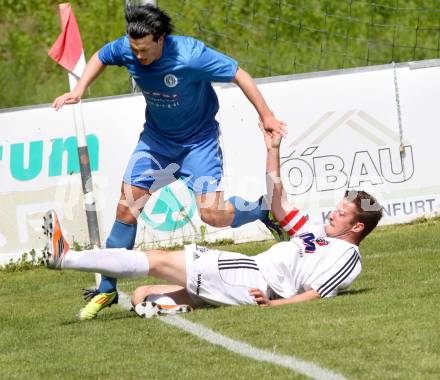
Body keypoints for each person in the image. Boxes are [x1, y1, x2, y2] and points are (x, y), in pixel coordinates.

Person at [52, 4, 287, 320]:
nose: (138, 57)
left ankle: (262, 209)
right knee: (126, 208)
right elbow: (101, 56)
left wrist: (267, 115)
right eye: (134, 50)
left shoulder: (191, 55)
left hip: (198, 143)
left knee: (213, 215)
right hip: (156, 143)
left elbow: (238, 73)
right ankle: (106, 288)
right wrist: (80, 89)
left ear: (161, 39)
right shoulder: (128, 47)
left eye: (145, 50)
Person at [42, 131, 383, 318]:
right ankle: (164, 307)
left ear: (355, 228)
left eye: (341, 213)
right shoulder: (315, 235)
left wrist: (273, 305)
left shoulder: (348, 257)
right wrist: (273, 148)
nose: (332, 214)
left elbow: (316, 293)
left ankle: (66, 257)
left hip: (251, 277)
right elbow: (277, 200)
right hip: (246, 279)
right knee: (143, 293)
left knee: (159, 259)